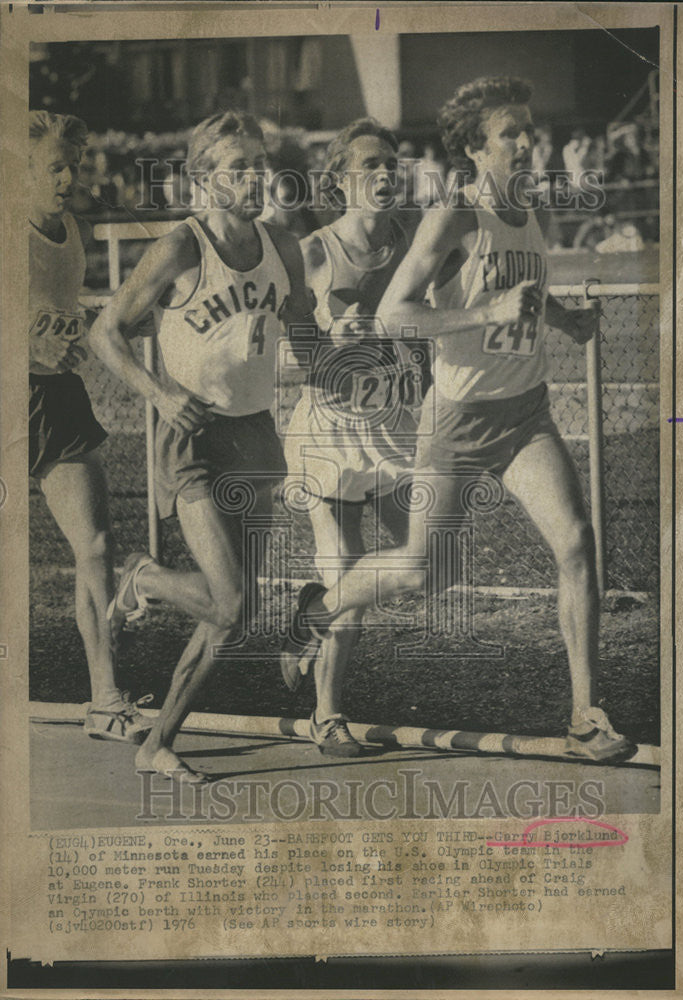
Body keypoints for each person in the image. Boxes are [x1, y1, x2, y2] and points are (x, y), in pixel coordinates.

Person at [282, 78, 636, 762]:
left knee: (576, 542)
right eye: (514, 134)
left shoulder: (528, 206)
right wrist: (486, 315)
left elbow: (522, 288)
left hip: (526, 413)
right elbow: (394, 315)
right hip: (458, 420)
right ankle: (317, 613)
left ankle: (586, 716)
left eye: (530, 131)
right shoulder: (453, 216)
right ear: (476, 147)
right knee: (423, 569)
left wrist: (564, 319)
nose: (530, 143)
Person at [89, 111, 316, 783]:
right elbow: (106, 332)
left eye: (260, 164)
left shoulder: (284, 246)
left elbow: (304, 334)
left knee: (229, 618)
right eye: (239, 168)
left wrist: (360, 371)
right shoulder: (181, 248)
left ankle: (157, 742)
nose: (256, 178)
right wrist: (158, 393)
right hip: (193, 436)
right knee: (228, 601)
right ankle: (143, 579)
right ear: (203, 179)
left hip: (255, 433)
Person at [282, 118, 426, 756]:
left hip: (393, 433)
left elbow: (432, 325)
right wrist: (327, 345)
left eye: (391, 162)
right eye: (370, 164)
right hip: (329, 433)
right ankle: (328, 716)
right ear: (341, 180)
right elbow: (278, 356)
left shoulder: (415, 241)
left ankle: (311, 620)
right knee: (345, 568)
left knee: (427, 565)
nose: (385, 173)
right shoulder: (312, 252)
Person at [28, 110, 152, 742]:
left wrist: (65, 336)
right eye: (54, 165)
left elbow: (59, 317)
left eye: (74, 164)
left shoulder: (72, 230)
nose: (68, 176)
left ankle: (106, 697)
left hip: (53, 402)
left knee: (97, 549)